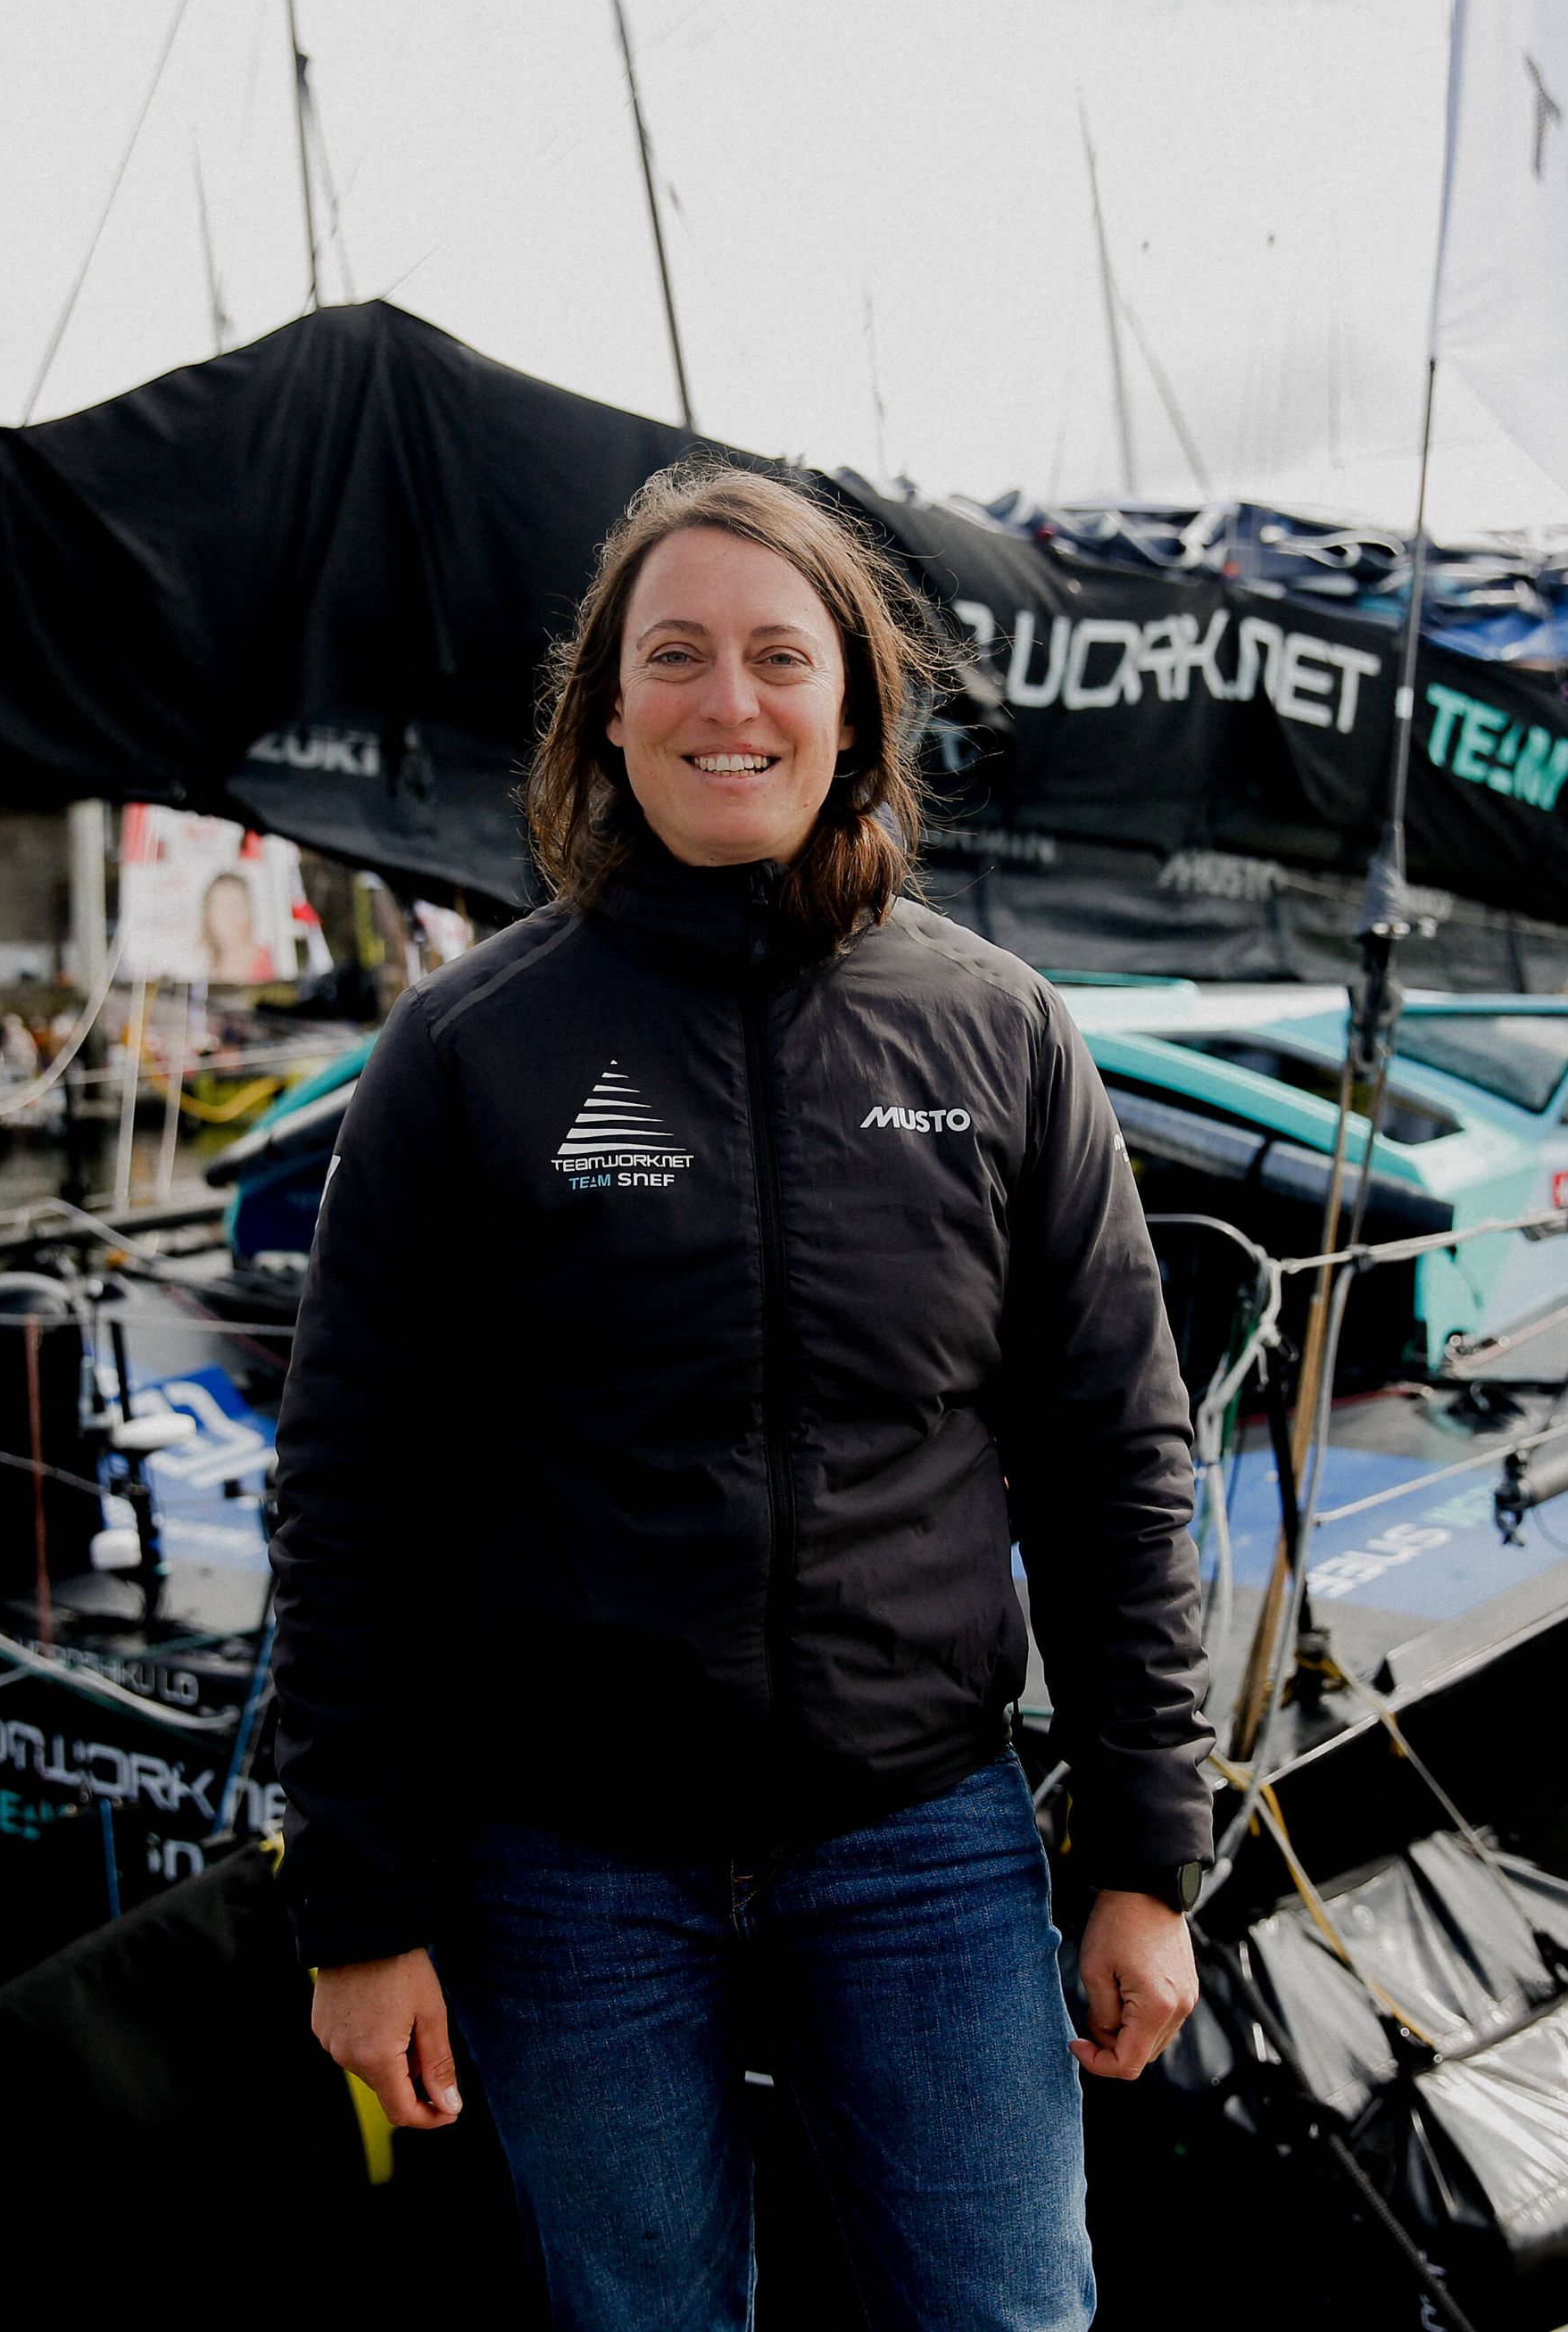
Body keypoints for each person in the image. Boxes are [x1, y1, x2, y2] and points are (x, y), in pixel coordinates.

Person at [271, 460, 1209, 2329]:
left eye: (778, 654)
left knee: (1009, 2309)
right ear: (605, 710)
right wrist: (359, 1913)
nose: (729, 700)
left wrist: (1143, 1855)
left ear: (851, 701)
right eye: (675, 654)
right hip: (568, 1863)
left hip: (923, 1836)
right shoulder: (466, 1055)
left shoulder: (996, 1033)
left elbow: (1115, 1458)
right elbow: (355, 1496)